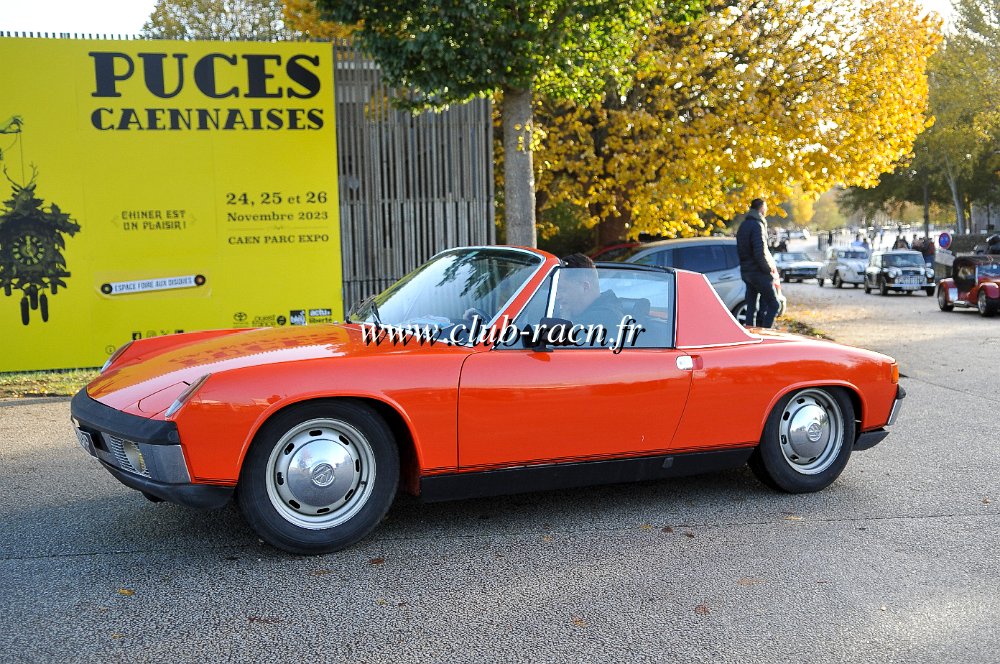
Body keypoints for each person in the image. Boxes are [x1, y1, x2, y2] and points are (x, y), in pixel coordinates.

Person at [558, 253, 625, 341]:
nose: (557, 297)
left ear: (585, 287)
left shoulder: (603, 318)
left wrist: (564, 318)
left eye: (562, 289)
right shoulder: (582, 314)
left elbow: (557, 341)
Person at [735, 198, 780, 328]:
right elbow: (760, 252)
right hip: (758, 272)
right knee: (774, 304)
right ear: (761, 208)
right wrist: (768, 270)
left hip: (747, 272)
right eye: (765, 207)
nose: (766, 210)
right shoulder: (757, 225)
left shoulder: (743, 225)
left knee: (752, 307)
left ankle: (751, 333)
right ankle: (765, 333)